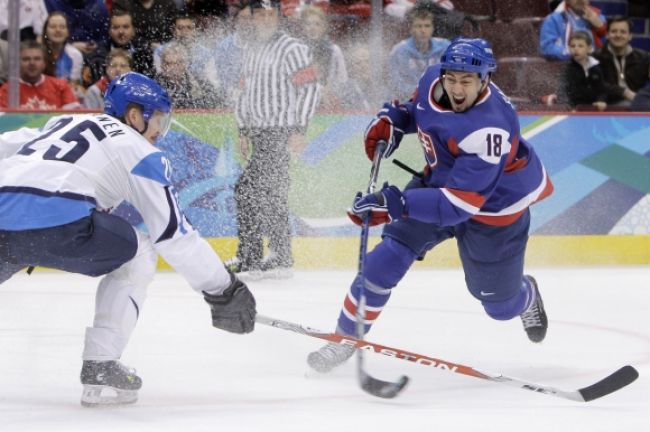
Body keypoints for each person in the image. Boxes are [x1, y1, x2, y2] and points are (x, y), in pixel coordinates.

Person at [0, 72, 257, 406]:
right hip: (61, 224)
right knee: (140, 252)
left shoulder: (62, 123)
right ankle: (100, 366)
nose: (158, 133)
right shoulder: (139, 149)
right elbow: (172, 235)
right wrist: (223, 288)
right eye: (158, 121)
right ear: (135, 115)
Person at [307, 38, 554, 373]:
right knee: (382, 262)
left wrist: (396, 204)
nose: (456, 87)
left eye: (467, 81)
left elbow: (456, 206)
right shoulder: (431, 79)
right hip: (442, 185)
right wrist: (394, 121)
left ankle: (526, 294)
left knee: (499, 306)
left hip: (495, 208)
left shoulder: (492, 128)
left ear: (485, 80)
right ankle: (345, 338)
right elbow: (418, 111)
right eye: (451, 78)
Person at [226, 0, 320, 280]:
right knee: (271, 194)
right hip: (259, 133)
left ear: (279, 17)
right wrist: (243, 130)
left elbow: (311, 89)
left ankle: (252, 256)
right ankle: (279, 255)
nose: (266, 20)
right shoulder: (251, 50)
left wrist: (299, 128)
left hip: (279, 133)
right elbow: (244, 93)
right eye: (260, 15)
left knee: (247, 190)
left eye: (271, 14)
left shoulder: (292, 48)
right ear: (252, 18)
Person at [387, 2, 451, 102]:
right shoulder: (400, 51)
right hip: (408, 101)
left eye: (427, 26)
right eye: (418, 26)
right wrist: (422, 92)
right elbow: (395, 83)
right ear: (411, 29)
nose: (423, 30)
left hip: (438, 99)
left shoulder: (445, 47)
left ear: (433, 28)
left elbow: (453, 76)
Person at [0, 40, 81, 110]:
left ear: (44, 63)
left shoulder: (61, 86)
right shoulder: (8, 89)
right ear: (18, 63)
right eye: (26, 59)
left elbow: (74, 118)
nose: (32, 63)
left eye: (37, 59)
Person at [298, 5, 349, 111]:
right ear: (302, 27)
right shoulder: (297, 50)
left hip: (330, 100)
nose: (312, 28)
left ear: (324, 27)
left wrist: (330, 91)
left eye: (317, 24)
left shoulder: (334, 50)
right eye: (308, 24)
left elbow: (343, 80)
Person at [595, 16, 650, 108]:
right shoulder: (596, 58)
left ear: (630, 36)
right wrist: (623, 92)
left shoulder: (643, 57)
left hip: (637, 103)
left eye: (623, 32)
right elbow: (597, 85)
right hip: (606, 104)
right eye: (614, 31)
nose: (618, 35)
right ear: (607, 35)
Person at [547, 31, 609, 111]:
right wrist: (569, 107)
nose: (576, 49)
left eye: (580, 46)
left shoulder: (597, 67)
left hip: (593, 109)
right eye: (573, 46)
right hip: (574, 109)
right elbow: (562, 91)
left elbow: (602, 89)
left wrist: (601, 100)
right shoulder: (567, 69)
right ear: (569, 48)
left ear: (589, 49)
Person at [539, 0, 606, 61]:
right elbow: (547, 48)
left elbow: (608, 48)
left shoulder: (598, 16)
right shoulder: (553, 19)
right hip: (565, 67)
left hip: (594, 68)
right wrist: (574, 52)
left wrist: (600, 27)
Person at [41, 12, 85, 98]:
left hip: (65, 95)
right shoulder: (38, 53)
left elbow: (73, 85)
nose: (57, 30)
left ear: (68, 32)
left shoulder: (75, 55)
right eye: (53, 27)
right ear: (45, 31)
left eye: (62, 27)